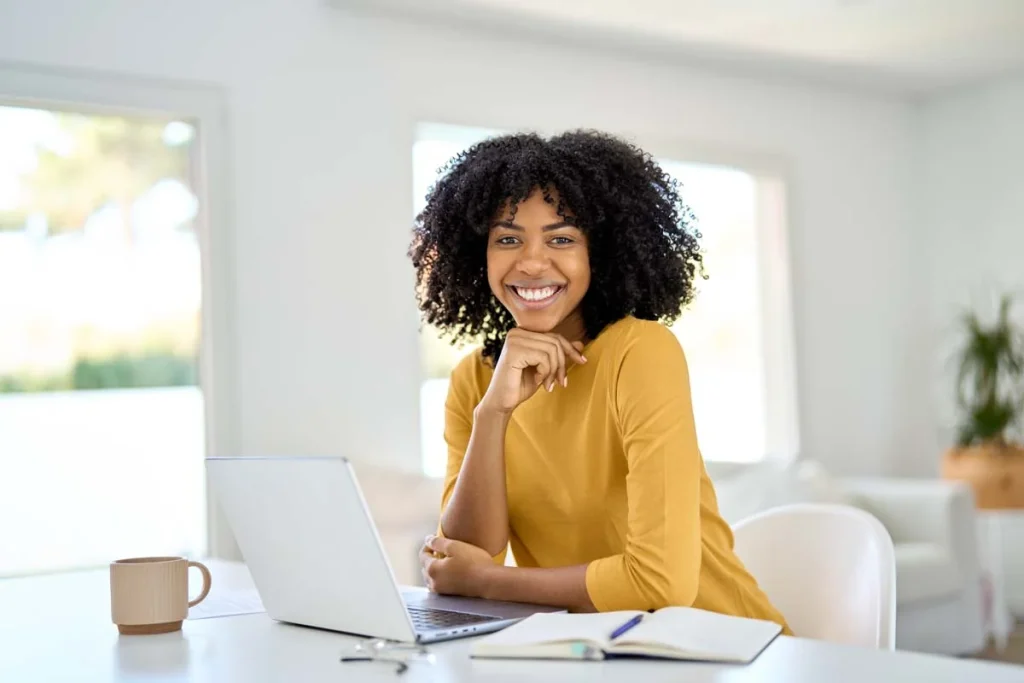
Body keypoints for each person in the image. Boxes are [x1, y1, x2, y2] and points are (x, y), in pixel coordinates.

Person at [408, 129, 790, 632]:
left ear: (601, 253)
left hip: (720, 646)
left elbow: (661, 583)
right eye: (507, 238)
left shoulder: (641, 351)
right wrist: (492, 414)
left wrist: (491, 583)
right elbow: (466, 558)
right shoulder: (474, 381)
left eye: (561, 238)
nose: (531, 261)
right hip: (591, 651)